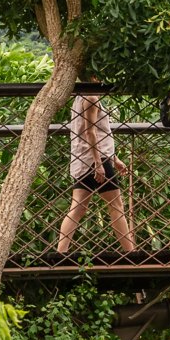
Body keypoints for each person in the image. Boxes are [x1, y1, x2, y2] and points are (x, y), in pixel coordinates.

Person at [54, 93, 135, 254]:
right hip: (95, 160)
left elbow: (96, 133)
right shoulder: (91, 98)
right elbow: (90, 132)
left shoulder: (79, 98)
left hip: (83, 158)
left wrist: (114, 159)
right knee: (116, 206)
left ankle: (61, 252)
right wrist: (99, 163)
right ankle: (131, 253)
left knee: (78, 208)